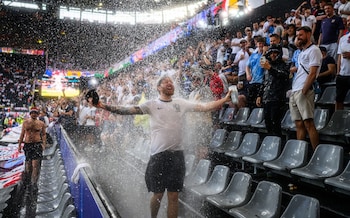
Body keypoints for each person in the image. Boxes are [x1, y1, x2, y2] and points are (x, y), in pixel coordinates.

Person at [90, 75, 232, 218]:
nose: (170, 83)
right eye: (165, 82)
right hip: (158, 156)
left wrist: (224, 100)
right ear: (158, 87)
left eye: (171, 81)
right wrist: (102, 106)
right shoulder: (151, 104)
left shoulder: (180, 103)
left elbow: (204, 106)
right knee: (157, 194)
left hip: (177, 156)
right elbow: (126, 110)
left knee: (173, 196)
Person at [289, 26, 322, 150]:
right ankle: (300, 153)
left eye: (301, 35)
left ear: (309, 34)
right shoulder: (302, 52)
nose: (298, 38)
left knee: (308, 123)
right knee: (298, 124)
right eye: (297, 36)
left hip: (304, 90)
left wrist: (304, 90)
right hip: (295, 89)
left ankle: (316, 153)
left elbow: (313, 73)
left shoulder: (314, 50)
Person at [257, 45, 290, 136]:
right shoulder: (268, 66)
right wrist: (259, 95)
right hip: (267, 98)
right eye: (271, 53)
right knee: (268, 123)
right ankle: (271, 143)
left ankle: (277, 143)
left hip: (277, 99)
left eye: (275, 53)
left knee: (275, 123)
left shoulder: (284, 65)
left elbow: (284, 76)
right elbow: (264, 82)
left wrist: (270, 69)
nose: (273, 55)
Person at [18, 107, 46, 191]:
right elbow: (22, 134)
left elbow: (44, 134)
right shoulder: (25, 122)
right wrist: (19, 145)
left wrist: (43, 144)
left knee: (35, 165)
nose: (34, 114)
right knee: (28, 165)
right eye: (32, 113)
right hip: (28, 145)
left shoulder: (41, 123)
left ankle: (34, 183)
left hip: (37, 144)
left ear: (37, 114)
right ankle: (28, 181)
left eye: (35, 113)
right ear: (30, 114)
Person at [335, 15, 350, 110]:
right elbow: (339, 56)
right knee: (338, 100)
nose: (349, 22)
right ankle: (337, 121)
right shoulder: (343, 38)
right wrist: (338, 73)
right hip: (343, 75)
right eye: (348, 20)